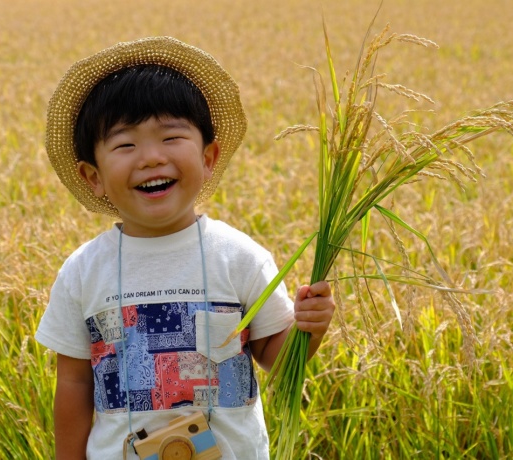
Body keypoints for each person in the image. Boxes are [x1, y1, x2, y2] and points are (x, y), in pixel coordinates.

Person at [35, 36, 335, 460]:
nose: (151, 158)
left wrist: (309, 328)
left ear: (209, 156)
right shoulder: (84, 272)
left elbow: (278, 362)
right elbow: (75, 384)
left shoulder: (239, 258)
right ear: (93, 177)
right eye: (125, 144)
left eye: (171, 137)